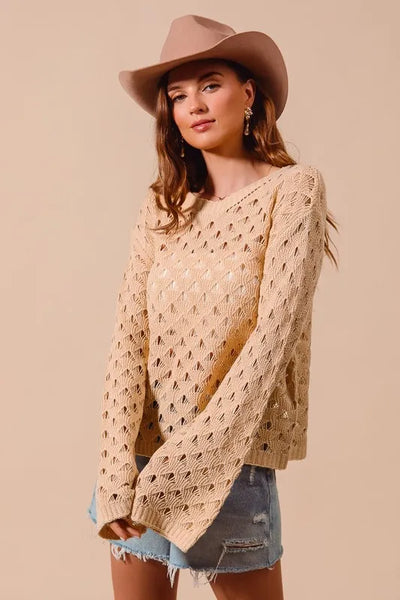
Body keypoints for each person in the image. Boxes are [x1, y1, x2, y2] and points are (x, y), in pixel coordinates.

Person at [86, 14, 339, 600]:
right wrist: (115, 466)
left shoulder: (293, 191)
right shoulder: (163, 204)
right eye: (178, 95)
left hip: (226, 463)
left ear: (248, 94)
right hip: (139, 463)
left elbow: (271, 342)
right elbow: (129, 339)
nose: (194, 105)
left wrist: (190, 461)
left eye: (210, 85)